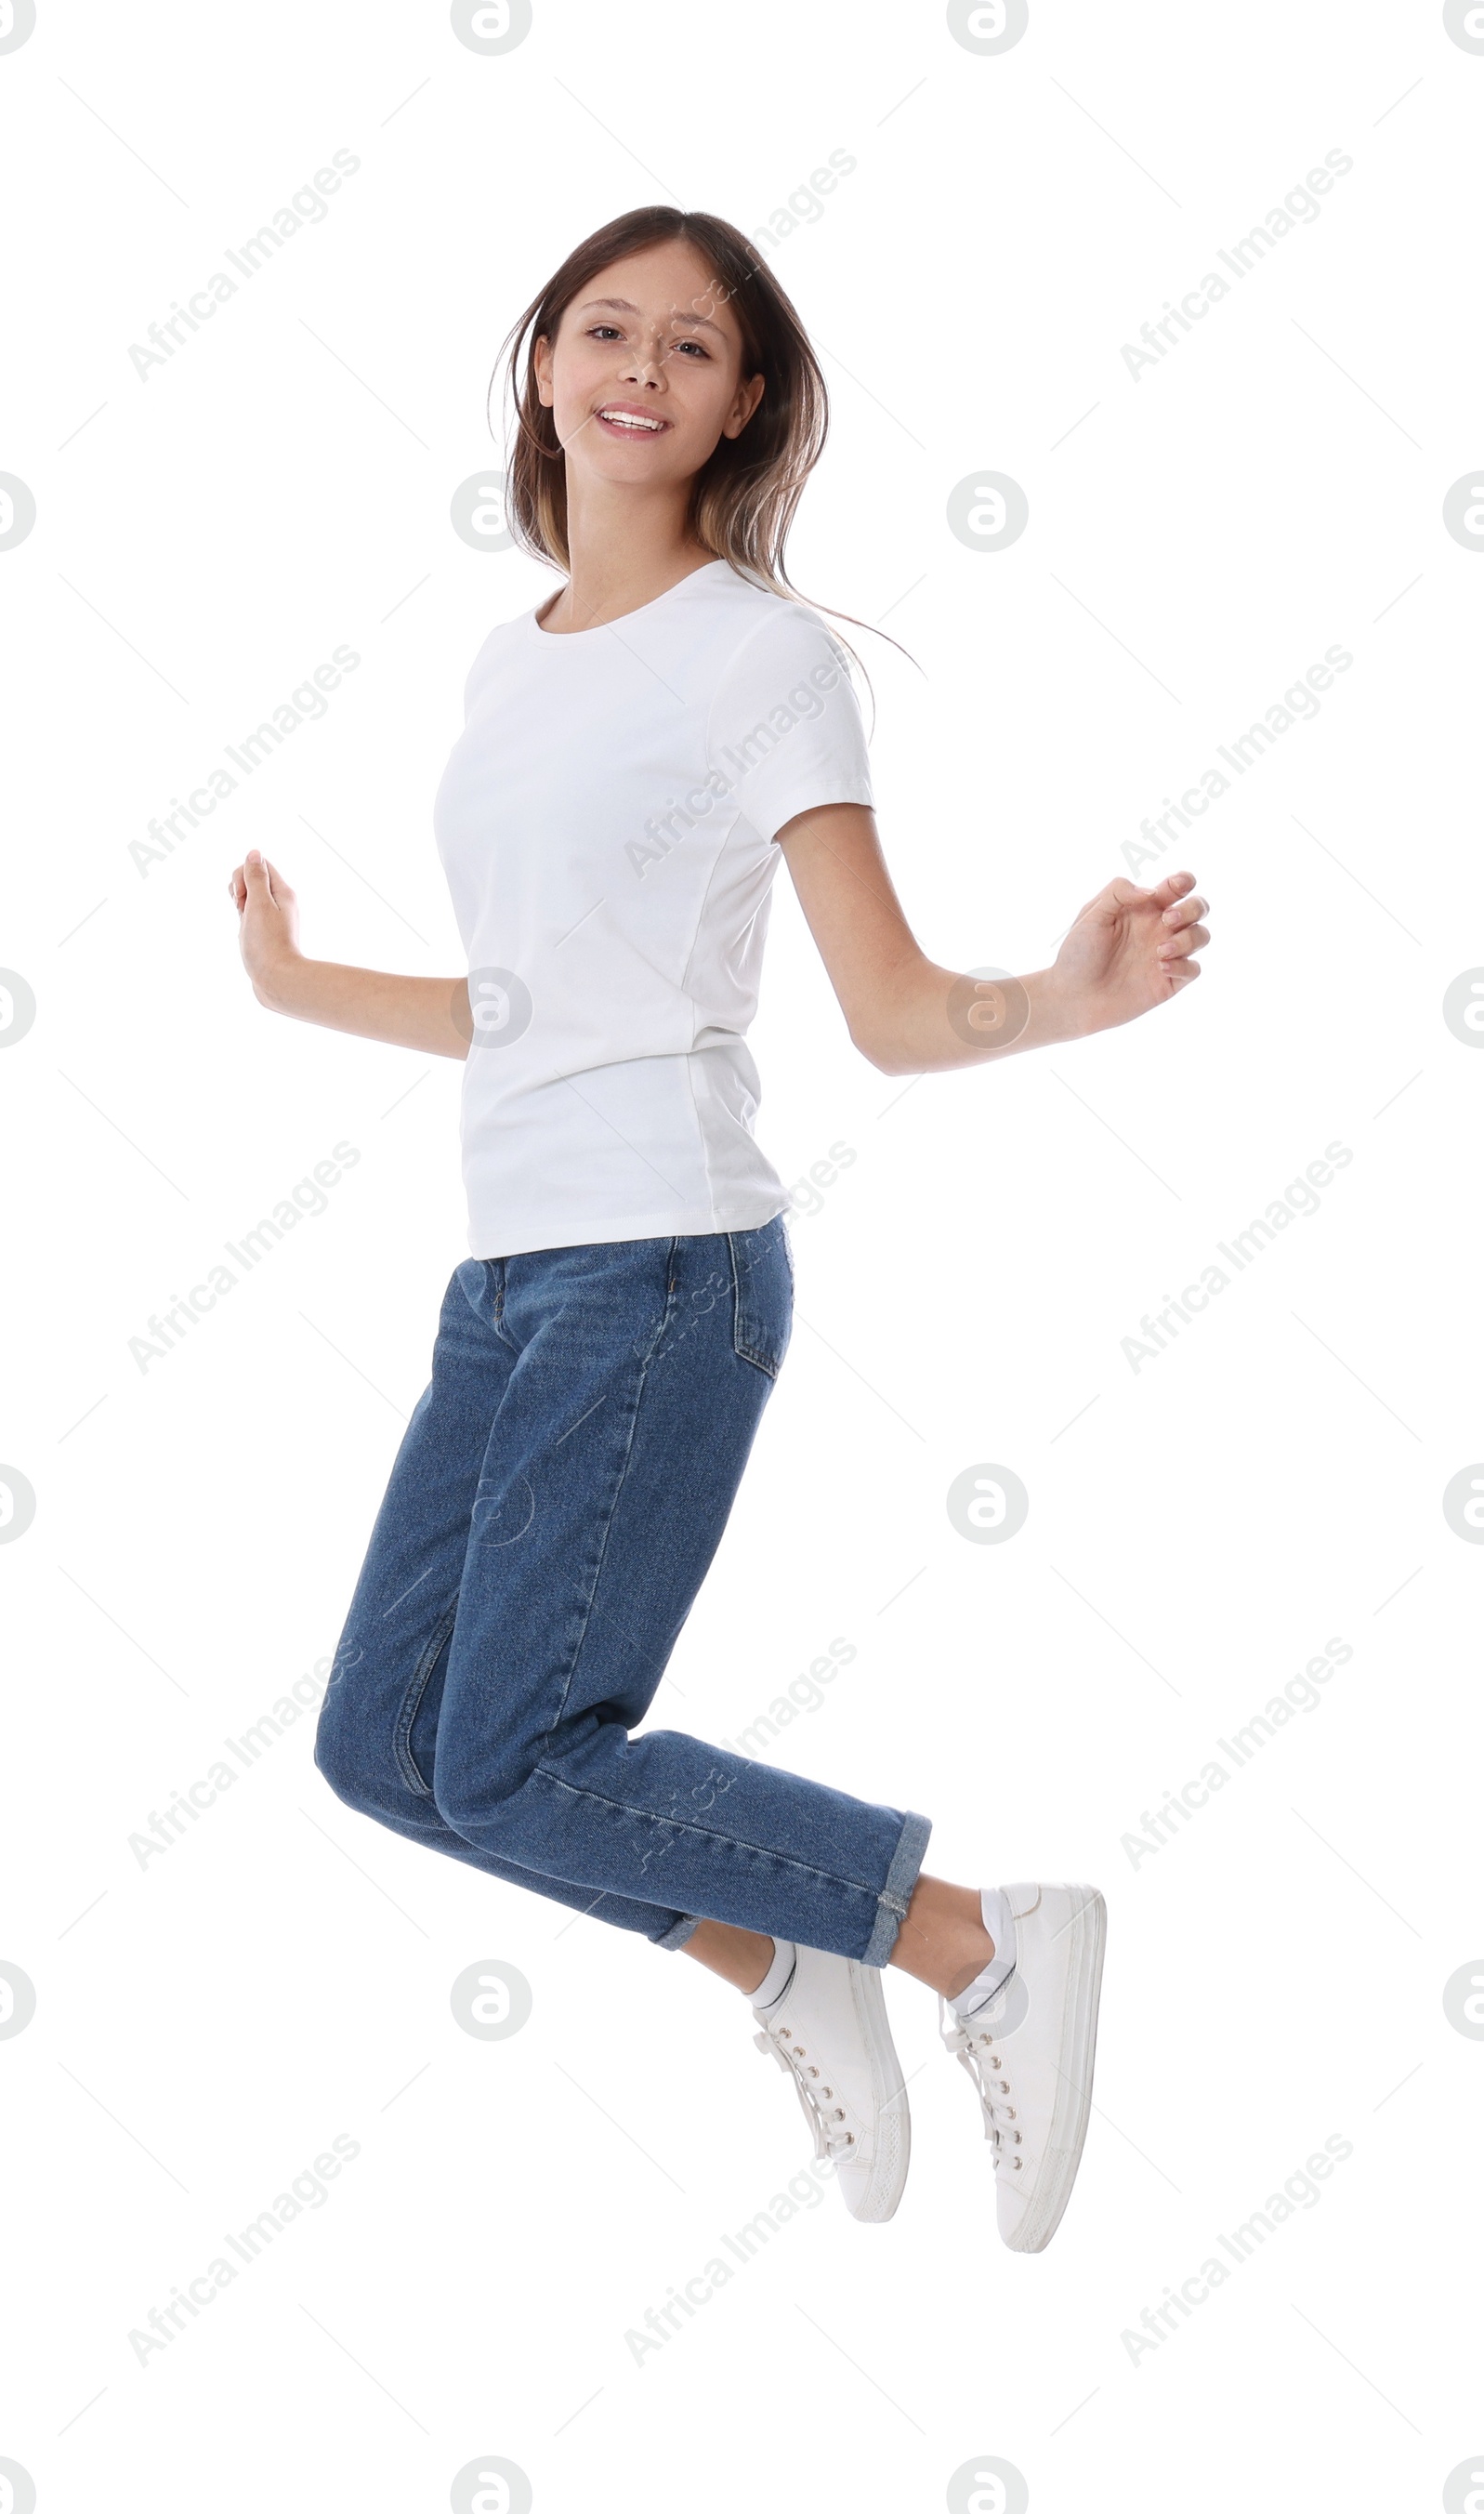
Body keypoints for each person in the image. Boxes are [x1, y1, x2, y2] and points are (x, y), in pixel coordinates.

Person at [229, 205, 1210, 2251]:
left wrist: (1057, 997)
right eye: (605, 327)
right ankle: (773, 1954)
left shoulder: (758, 660)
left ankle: (966, 1938)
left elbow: (883, 1004)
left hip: (661, 1271)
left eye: (690, 347)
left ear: (742, 402)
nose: (638, 370)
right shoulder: (511, 664)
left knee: (506, 1757)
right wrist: (298, 985)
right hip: (505, 1279)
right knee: (379, 1751)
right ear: (540, 364)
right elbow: (524, 1003)